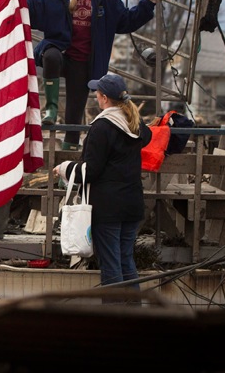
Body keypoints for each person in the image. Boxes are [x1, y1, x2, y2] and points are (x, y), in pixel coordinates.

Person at [6, 0, 162, 150]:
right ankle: (51, 109)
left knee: (74, 113)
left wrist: (148, 3)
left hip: (83, 63)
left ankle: (67, 157)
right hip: (61, 55)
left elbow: (127, 21)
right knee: (51, 55)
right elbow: (30, 8)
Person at [53, 74, 152, 292]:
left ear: (104, 98)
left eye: (97, 93)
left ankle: (114, 316)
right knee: (126, 260)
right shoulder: (136, 125)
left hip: (108, 208)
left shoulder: (102, 128)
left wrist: (64, 169)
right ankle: (135, 313)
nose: (96, 96)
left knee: (111, 265)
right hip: (132, 203)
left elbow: (91, 171)